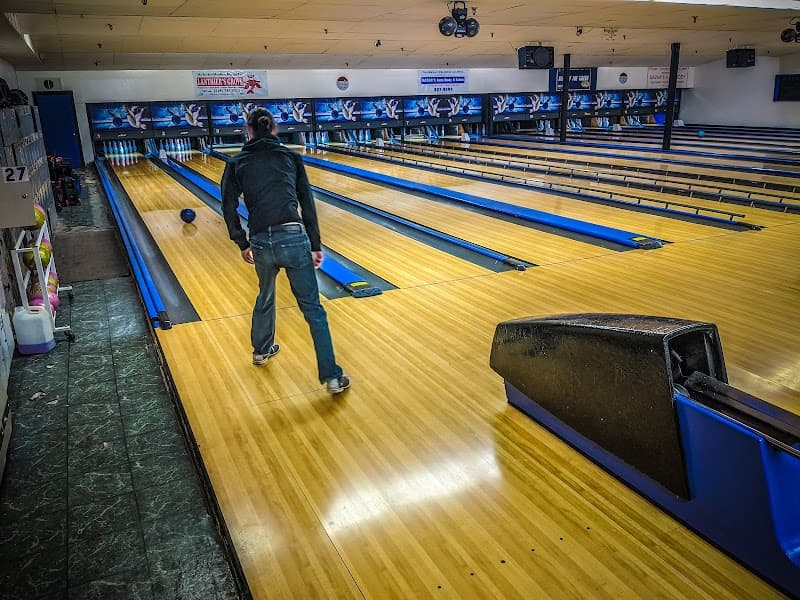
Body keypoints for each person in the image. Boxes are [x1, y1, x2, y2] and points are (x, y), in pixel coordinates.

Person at [221, 109, 350, 394]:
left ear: (248, 130)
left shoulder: (237, 162)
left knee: (265, 295)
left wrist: (242, 242)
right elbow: (307, 202)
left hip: (261, 243)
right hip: (293, 238)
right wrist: (315, 245)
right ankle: (331, 377)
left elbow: (228, 207)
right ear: (275, 129)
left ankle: (261, 351)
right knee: (313, 309)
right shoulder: (290, 157)